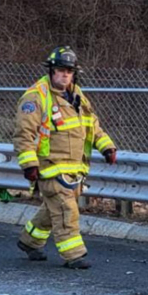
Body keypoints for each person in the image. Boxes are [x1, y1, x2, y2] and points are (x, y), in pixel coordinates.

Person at [14, 47, 118, 269]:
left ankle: (29, 241)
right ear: (51, 71)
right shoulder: (36, 97)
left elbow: (92, 125)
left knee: (54, 209)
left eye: (69, 71)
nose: (64, 75)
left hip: (74, 169)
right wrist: (29, 165)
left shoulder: (76, 94)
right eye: (60, 70)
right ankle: (73, 255)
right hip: (50, 167)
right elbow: (24, 135)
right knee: (66, 209)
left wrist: (107, 147)